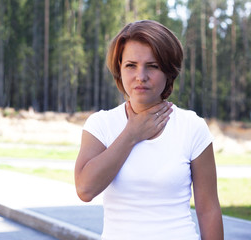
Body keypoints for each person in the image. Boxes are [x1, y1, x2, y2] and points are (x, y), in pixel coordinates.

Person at [74, 20, 223, 240]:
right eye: (131, 65)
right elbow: (85, 190)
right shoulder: (101, 125)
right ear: (119, 69)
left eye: (152, 66)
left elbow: (208, 210)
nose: (140, 76)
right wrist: (131, 134)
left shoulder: (192, 127)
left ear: (168, 71)